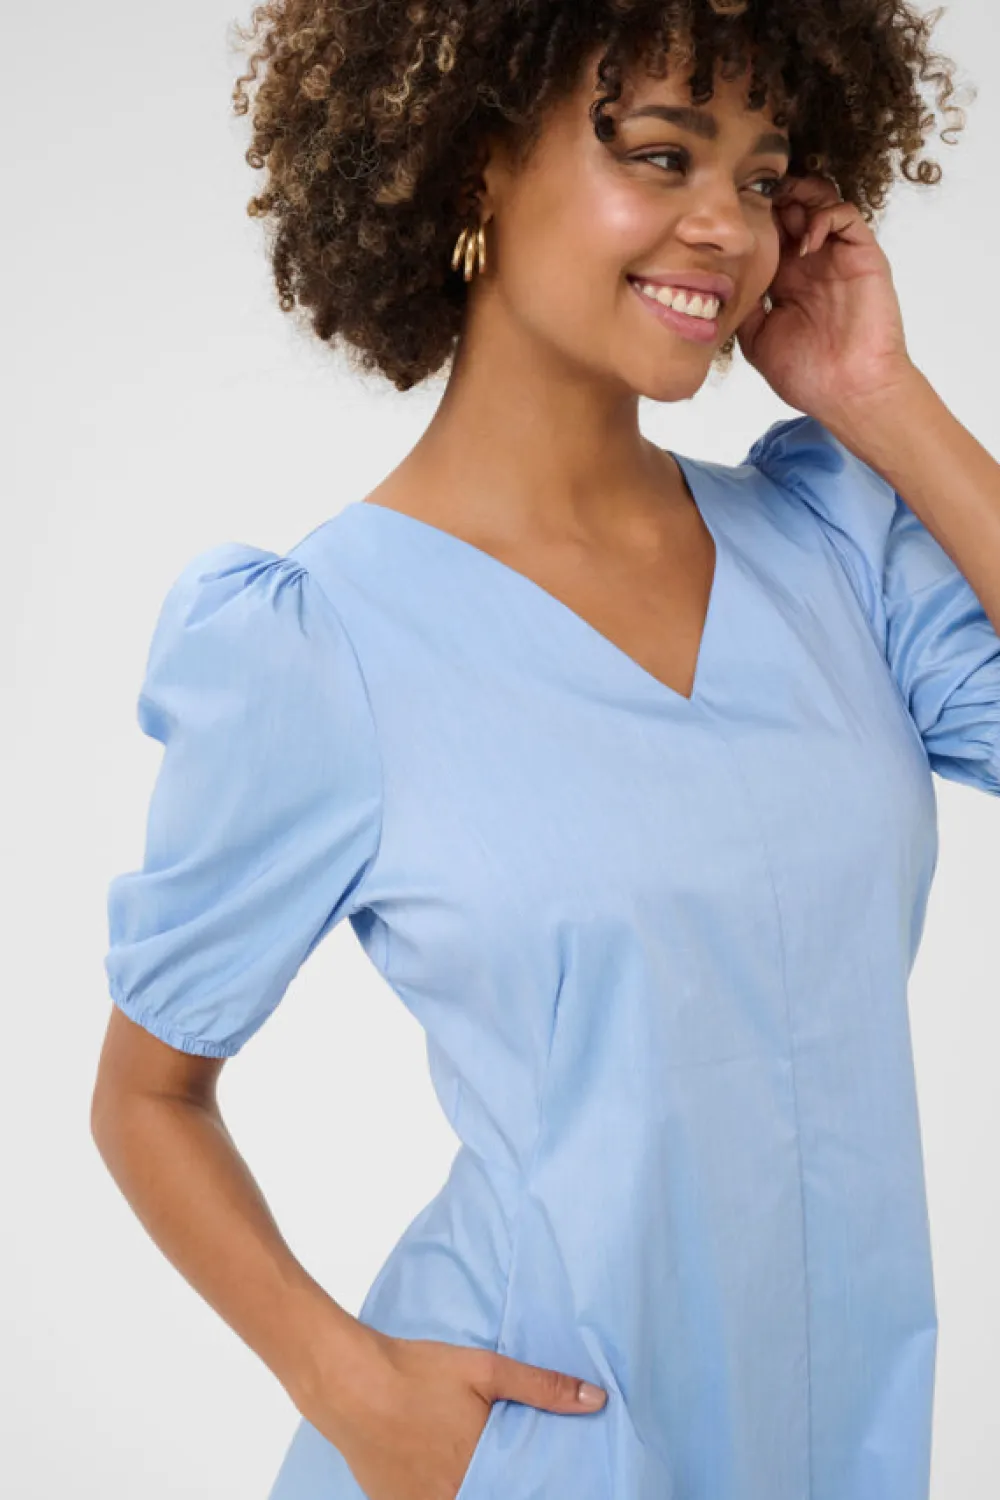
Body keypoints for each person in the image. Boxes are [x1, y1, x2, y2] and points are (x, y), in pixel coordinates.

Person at [90, 4, 1000, 1499]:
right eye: (661, 155)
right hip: (536, 1450)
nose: (727, 228)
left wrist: (881, 400)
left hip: (835, 1441)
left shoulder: (837, 541)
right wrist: (353, 1391)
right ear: (475, 165)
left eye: (761, 177)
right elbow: (145, 1097)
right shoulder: (322, 642)